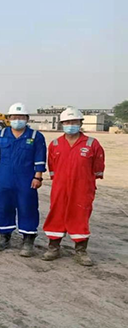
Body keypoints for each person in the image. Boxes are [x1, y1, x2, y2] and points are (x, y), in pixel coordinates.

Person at [42, 107, 105, 266]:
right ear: (62, 124)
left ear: (80, 123)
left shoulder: (92, 144)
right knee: (56, 214)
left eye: (74, 122)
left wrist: (87, 183)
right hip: (60, 187)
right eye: (67, 122)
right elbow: (52, 167)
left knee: (80, 216)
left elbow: (98, 167)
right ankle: (53, 247)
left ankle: (81, 251)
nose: (71, 125)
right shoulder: (55, 144)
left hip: (82, 188)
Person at [0, 103, 47, 256]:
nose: (17, 120)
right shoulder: (1, 135)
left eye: (21, 117)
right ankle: (4, 237)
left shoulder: (35, 136)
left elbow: (40, 159)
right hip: (4, 177)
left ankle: (28, 240)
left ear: (27, 118)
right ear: (8, 118)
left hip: (26, 178)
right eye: (14, 117)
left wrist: (38, 177)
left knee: (27, 207)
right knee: (2, 206)